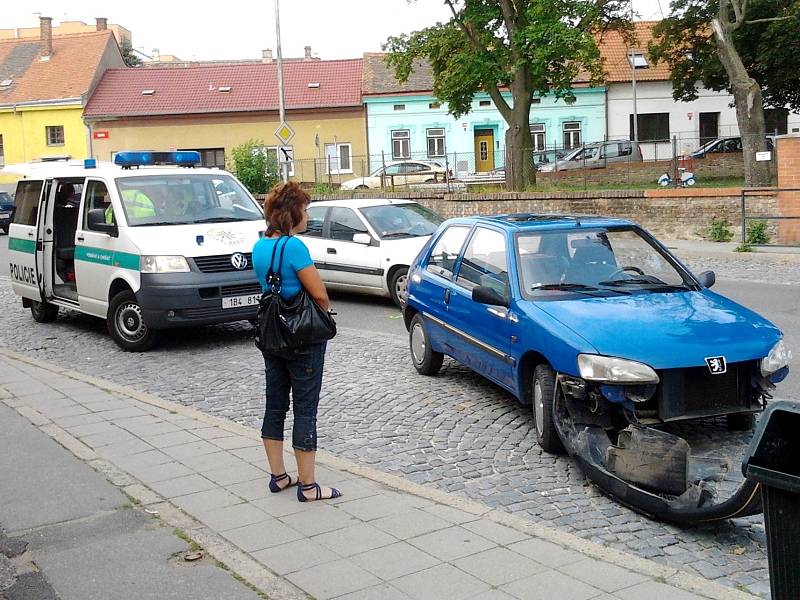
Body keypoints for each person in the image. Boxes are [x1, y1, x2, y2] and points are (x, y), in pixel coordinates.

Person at [252, 181, 341, 503]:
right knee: (305, 409)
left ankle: (278, 476)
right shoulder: (294, 248)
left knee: (275, 405)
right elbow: (318, 294)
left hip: (272, 335)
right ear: (291, 213)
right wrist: (327, 310)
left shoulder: (259, 246)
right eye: (304, 209)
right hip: (302, 339)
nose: (307, 215)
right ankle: (308, 486)